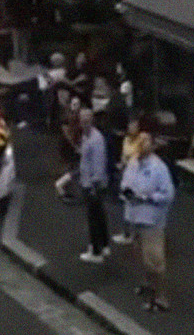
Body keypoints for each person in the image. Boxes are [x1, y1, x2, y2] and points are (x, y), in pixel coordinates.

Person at [119, 125, 176, 311]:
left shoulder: (158, 168)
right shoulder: (134, 161)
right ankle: (148, 285)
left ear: (152, 146)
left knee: (154, 261)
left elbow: (168, 194)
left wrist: (148, 197)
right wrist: (126, 191)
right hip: (135, 218)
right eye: (139, 141)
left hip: (151, 221)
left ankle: (161, 299)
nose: (141, 145)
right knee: (140, 255)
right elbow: (125, 181)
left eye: (146, 141)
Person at [77, 107, 110, 263]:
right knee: (99, 215)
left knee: (93, 219)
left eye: (87, 120)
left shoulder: (96, 139)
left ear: (92, 120)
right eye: (82, 120)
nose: (84, 123)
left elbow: (98, 164)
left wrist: (93, 187)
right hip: (89, 182)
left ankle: (96, 252)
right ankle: (104, 245)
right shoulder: (86, 136)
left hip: (93, 185)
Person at [112, 112, 149, 245]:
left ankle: (132, 235)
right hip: (126, 175)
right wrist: (121, 164)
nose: (132, 129)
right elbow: (124, 156)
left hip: (138, 177)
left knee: (135, 206)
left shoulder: (142, 140)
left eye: (135, 127)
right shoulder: (126, 140)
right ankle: (128, 233)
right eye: (130, 126)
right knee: (127, 206)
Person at [54, 94, 83, 201]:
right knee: (75, 169)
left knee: (73, 167)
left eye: (78, 104)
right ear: (70, 105)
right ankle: (60, 186)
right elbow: (68, 135)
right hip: (67, 147)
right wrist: (77, 147)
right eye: (74, 104)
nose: (76, 106)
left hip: (72, 147)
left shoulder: (77, 116)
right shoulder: (68, 118)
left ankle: (65, 186)